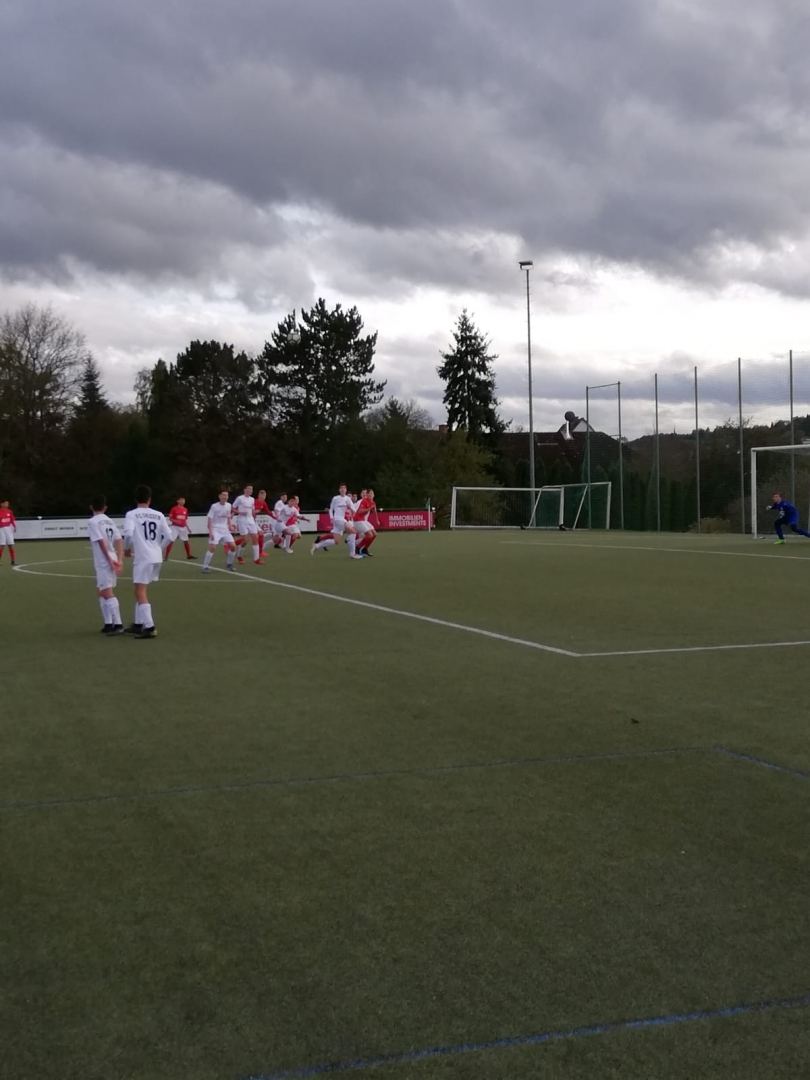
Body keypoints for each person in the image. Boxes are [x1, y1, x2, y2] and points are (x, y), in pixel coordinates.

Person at [122, 485, 171, 639]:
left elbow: (128, 534)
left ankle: (150, 627)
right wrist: (158, 548)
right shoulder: (159, 515)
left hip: (143, 557)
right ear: (149, 499)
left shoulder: (132, 514)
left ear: (136, 499)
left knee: (139, 591)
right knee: (142, 589)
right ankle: (138, 625)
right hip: (156, 557)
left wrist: (126, 548)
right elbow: (169, 537)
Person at [88, 495, 124, 634]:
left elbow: (101, 541)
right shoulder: (109, 520)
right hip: (112, 556)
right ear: (105, 507)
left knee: (106, 592)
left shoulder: (93, 521)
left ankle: (118, 624)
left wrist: (109, 560)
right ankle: (108, 623)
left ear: (91, 507)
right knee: (101, 590)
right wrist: (119, 560)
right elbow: (119, 539)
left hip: (104, 560)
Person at [311, 484, 361, 557]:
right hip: (338, 520)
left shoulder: (348, 499)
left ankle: (316, 546)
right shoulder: (335, 498)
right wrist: (331, 518)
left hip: (342, 520)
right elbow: (331, 509)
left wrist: (352, 511)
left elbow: (353, 509)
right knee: (354, 532)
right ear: (339, 490)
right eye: (341, 488)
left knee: (336, 541)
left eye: (344, 488)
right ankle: (352, 553)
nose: (342, 489)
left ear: (346, 490)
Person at [202, 490, 238, 573]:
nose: (225, 497)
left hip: (225, 529)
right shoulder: (214, 506)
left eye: (227, 495)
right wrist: (210, 532)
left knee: (233, 546)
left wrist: (230, 526)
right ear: (219, 496)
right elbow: (210, 519)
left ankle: (229, 563)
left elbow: (228, 517)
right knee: (213, 547)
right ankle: (205, 566)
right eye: (224, 495)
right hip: (215, 529)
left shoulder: (229, 505)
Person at [232, 484, 264, 565]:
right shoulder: (240, 498)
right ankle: (239, 556)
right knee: (245, 540)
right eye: (249, 489)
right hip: (242, 520)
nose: (250, 490)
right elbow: (233, 508)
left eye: (251, 489)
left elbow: (252, 510)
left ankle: (256, 559)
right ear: (244, 490)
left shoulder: (252, 499)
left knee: (255, 538)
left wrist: (254, 513)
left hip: (251, 520)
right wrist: (240, 512)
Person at [164, 497, 196, 561]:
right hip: (175, 527)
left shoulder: (185, 509)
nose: (183, 501)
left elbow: (185, 520)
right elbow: (170, 518)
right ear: (177, 501)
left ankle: (188, 555)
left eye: (184, 500)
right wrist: (176, 521)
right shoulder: (174, 509)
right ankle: (166, 556)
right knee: (171, 541)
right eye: (181, 500)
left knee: (186, 541)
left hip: (183, 527)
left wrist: (188, 528)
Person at [352, 488, 380, 557]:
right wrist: (370, 508)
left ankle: (365, 549)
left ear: (374, 495)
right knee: (370, 535)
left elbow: (375, 512)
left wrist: (377, 520)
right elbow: (360, 511)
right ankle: (357, 548)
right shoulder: (364, 501)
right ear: (367, 495)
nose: (371, 495)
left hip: (363, 520)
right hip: (357, 520)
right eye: (369, 493)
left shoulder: (373, 502)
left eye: (372, 493)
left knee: (375, 534)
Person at [254, 489, 272, 556]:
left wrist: (276, 517)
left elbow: (268, 512)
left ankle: (260, 551)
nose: (263, 497)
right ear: (258, 495)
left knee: (260, 533)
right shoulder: (254, 502)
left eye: (264, 496)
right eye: (262, 495)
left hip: (253, 520)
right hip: (248, 520)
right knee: (245, 538)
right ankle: (229, 545)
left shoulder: (264, 503)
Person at [0, 500, 16, 566]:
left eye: (7, 504)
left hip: (8, 529)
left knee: (10, 544)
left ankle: (13, 561)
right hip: (1, 529)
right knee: (2, 545)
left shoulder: (9, 511)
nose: (7, 505)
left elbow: (12, 520)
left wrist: (14, 527)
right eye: (5, 503)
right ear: (1, 504)